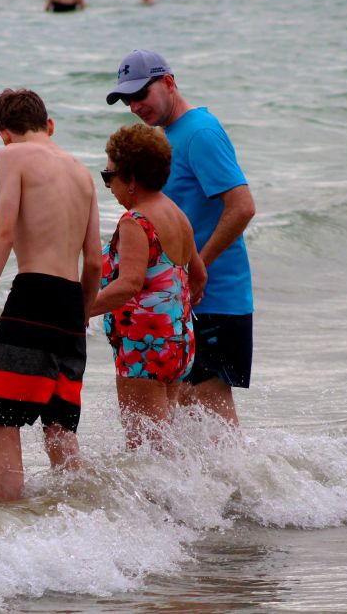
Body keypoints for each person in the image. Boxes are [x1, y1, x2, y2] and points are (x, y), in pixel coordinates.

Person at [0, 88, 101, 503]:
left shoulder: (11, 156)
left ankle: (4, 524)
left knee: (2, 423)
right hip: (72, 304)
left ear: (4, 133)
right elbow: (94, 261)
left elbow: (4, 233)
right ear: (48, 125)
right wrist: (82, 314)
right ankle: (83, 513)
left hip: (33, 296)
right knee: (60, 431)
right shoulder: (82, 172)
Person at [106, 50, 256, 427]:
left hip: (215, 298)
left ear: (169, 83)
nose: (135, 106)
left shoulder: (199, 132)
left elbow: (242, 207)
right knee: (191, 421)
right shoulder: (172, 135)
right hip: (186, 301)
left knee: (211, 415)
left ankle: (244, 471)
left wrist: (194, 268)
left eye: (141, 94)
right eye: (127, 100)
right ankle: (240, 471)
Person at [90, 124, 206, 449]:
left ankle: (185, 486)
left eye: (109, 175)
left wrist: (79, 311)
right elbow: (199, 276)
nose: (108, 185)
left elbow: (129, 284)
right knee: (163, 444)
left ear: (131, 179)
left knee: (144, 450)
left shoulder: (136, 222)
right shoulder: (177, 214)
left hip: (144, 347)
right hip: (178, 343)